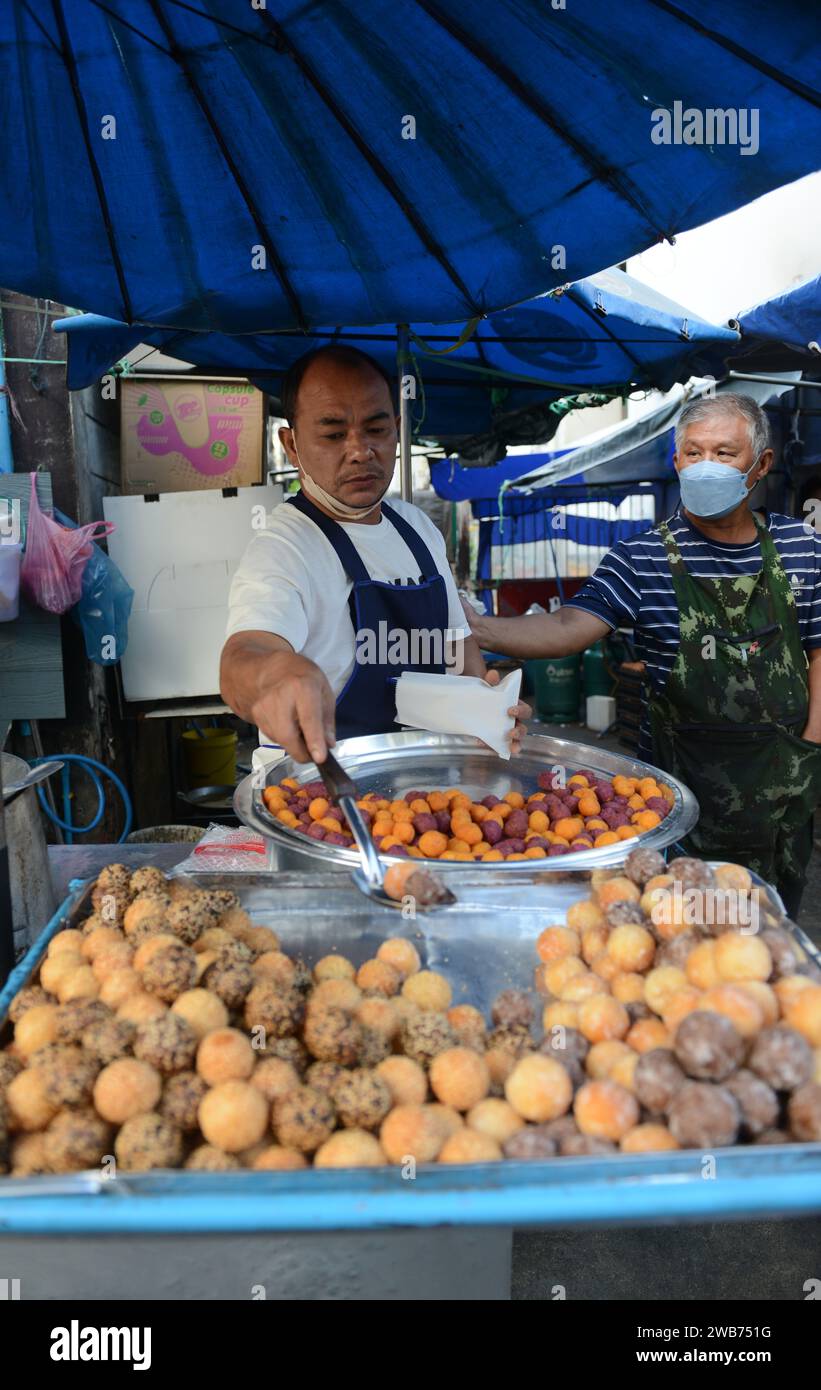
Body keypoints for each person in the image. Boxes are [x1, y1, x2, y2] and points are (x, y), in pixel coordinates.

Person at [462, 393, 821, 916]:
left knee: (765, 929)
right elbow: (567, 626)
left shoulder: (801, 549)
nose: (706, 466)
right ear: (676, 462)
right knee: (683, 927)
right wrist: (479, 628)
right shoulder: (643, 557)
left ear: (760, 465)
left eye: (724, 454)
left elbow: (818, 650)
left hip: (782, 790)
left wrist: (810, 755)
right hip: (678, 798)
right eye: (693, 453)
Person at [220, 345, 529, 765]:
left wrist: (490, 715)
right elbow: (243, 657)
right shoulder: (285, 547)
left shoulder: (419, 530)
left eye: (376, 430)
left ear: (398, 428)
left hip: (427, 794)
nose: (360, 451)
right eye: (333, 434)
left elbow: (463, 661)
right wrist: (273, 674)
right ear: (291, 446)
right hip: (319, 798)